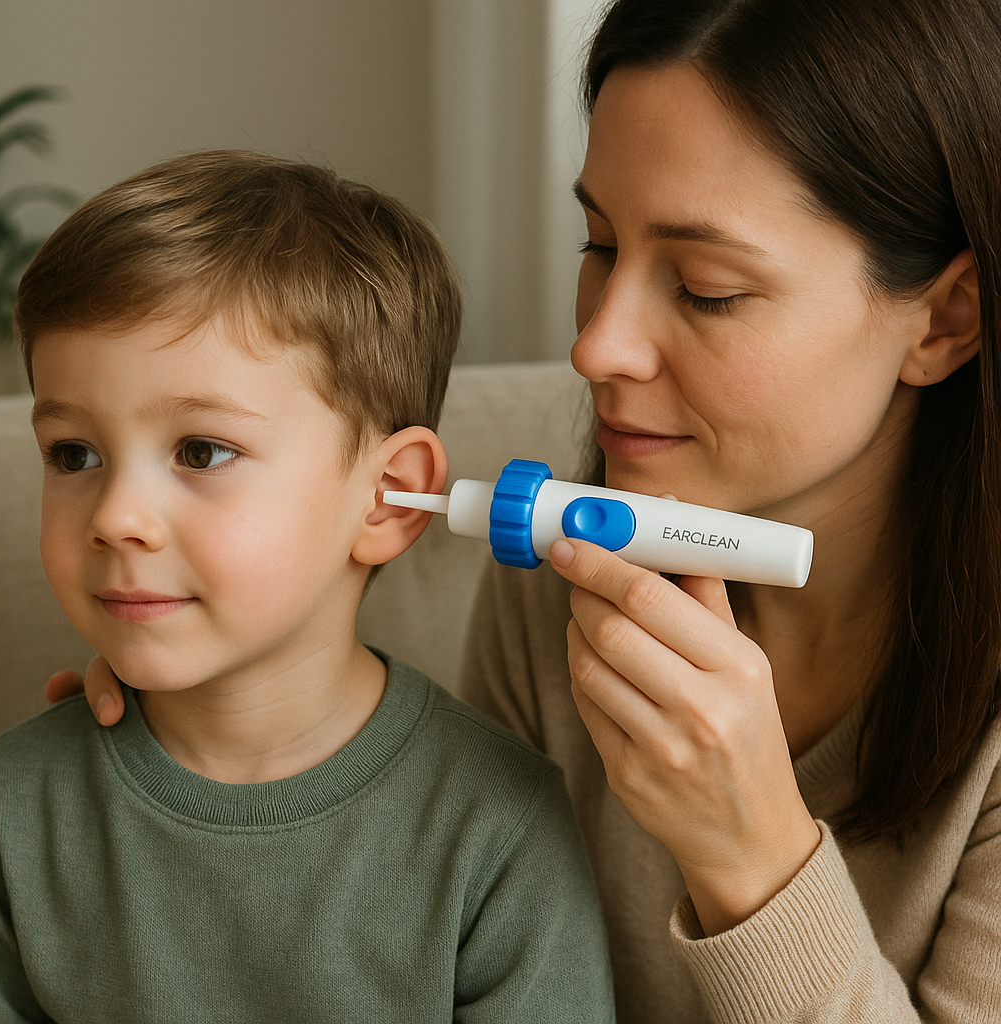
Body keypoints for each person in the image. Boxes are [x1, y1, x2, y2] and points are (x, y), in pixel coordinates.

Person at [51, 0, 1001, 1019]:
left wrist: (754, 859)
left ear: (945, 320)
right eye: (599, 245)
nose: (596, 346)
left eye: (707, 287)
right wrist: (208, 734)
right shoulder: (560, 572)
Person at [0, 150, 617, 1023]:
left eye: (201, 451)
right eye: (73, 454)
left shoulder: (498, 828)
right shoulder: (5, 810)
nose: (116, 516)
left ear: (387, 498)